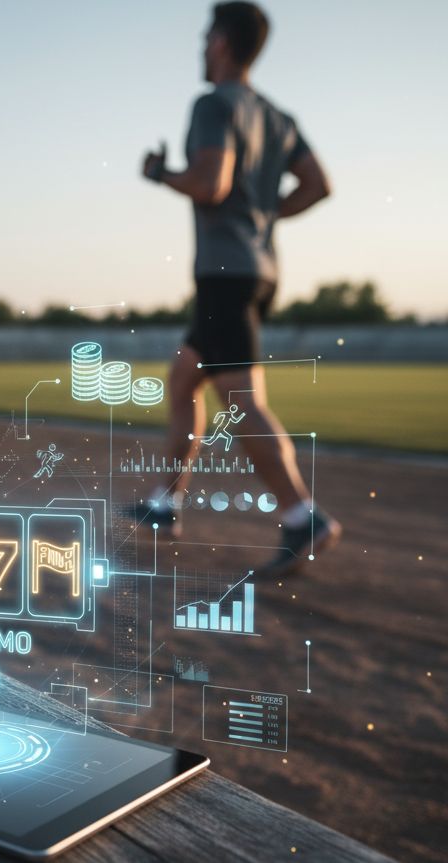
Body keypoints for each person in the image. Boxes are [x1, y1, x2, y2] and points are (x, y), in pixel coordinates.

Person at [136, 1, 340, 576]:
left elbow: (210, 182)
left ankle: (304, 516)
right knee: (184, 381)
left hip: (225, 271)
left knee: (242, 400)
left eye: (207, 38)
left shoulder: (212, 104)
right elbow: (318, 184)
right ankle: (164, 502)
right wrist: (265, 215)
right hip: (256, 267)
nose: (202, 48)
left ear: (223, 42)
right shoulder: (277, 116)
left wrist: (160, 174)